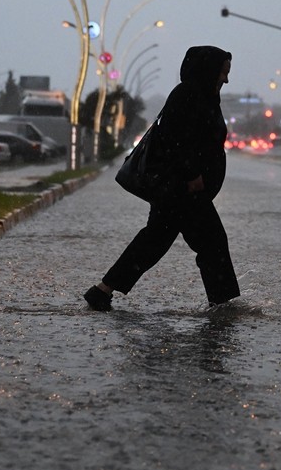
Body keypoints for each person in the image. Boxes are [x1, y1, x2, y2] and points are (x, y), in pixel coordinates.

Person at [85, 45, 240, 311]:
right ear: (208, 70)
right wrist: (193, 175)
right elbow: (176, 140)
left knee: (154, 241)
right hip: (182, 188)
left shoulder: (204, 96)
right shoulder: (188, 96)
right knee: (212, 242)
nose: (225, 79)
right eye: (223, 72)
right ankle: (222, 304)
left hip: (178, 188)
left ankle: (102, 290)